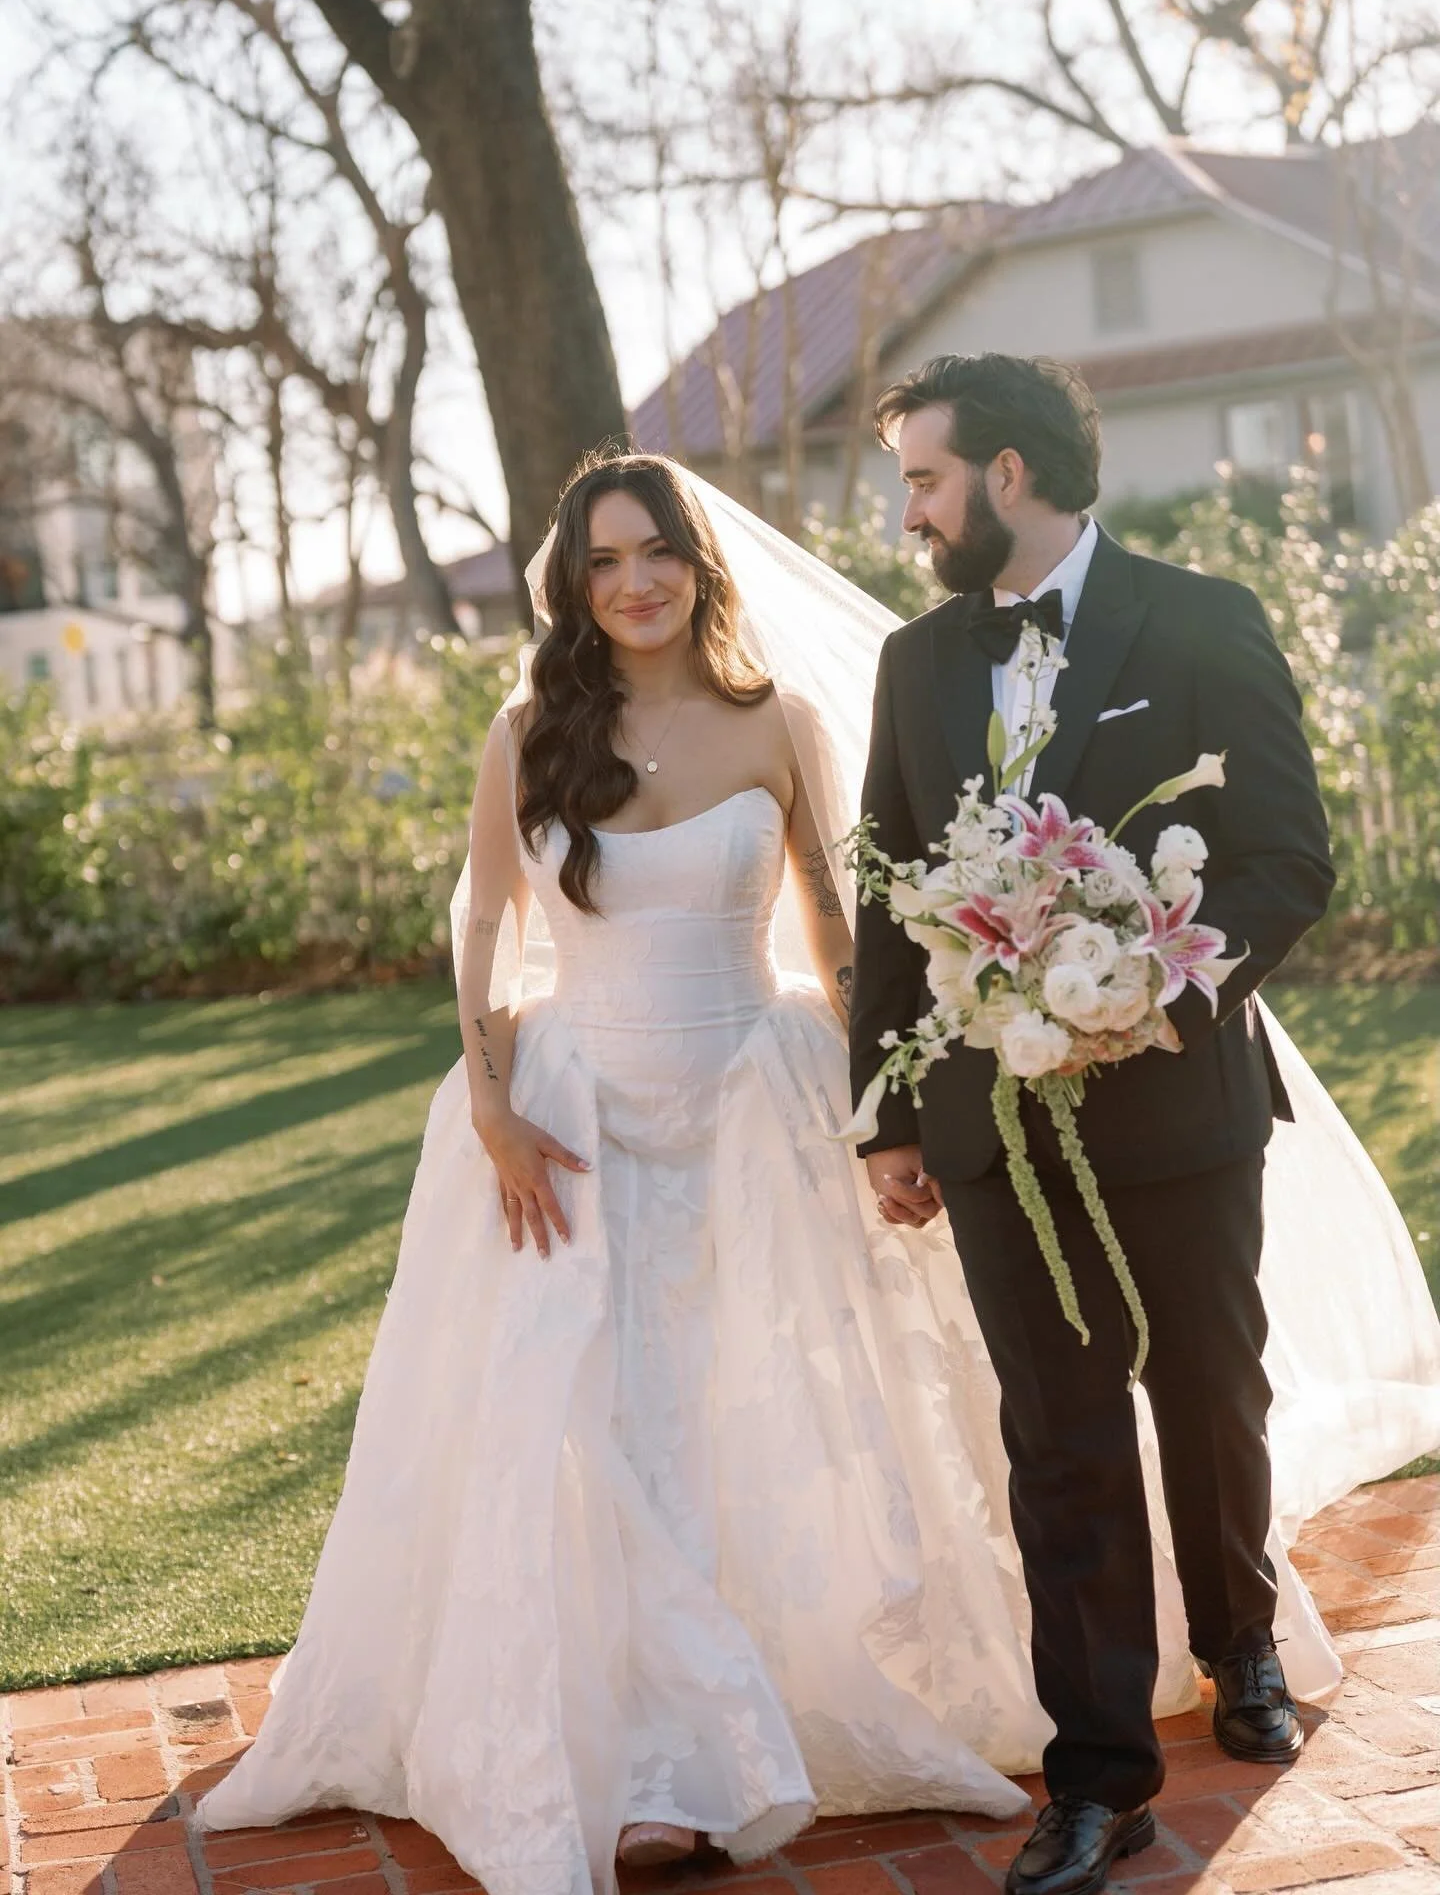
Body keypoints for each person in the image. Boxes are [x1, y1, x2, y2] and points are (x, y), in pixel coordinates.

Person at [198, 444, 1440, 1895]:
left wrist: (884, 1112)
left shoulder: (777, 719)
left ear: (696, 560)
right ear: (571, 584)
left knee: (773, 1415)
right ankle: (658, 1762)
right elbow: (484, 926)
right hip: (576, 1118)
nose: (633, 581)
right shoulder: (527, 727)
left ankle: (784, 1708)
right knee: (606, 1422)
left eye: (653, 549)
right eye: (601, 561)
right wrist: (490, 1106)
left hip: (752, 1099)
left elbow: (852, 931)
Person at [848, 350, 1335, 1895]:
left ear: (1005, 474)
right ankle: (1101, 1776)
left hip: (1176, 1102)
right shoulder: (914, 666)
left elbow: (1284, 858)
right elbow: (885, 900)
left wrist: (1153, 986)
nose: (911, 512)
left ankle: (1242, 1643)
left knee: (1208, 1387)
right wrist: (888, 1116)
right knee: (1055, 1439)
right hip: (995, 1124)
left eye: (924, 478)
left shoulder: (1200, 620)